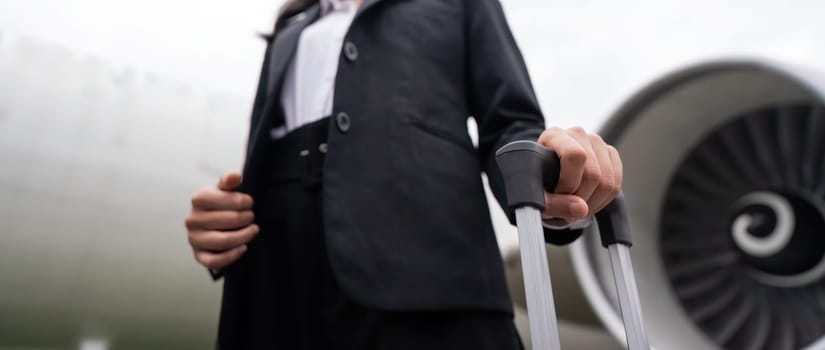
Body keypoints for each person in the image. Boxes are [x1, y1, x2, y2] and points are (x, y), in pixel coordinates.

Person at [184, 0, 623, 348]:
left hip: (428, 287)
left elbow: (510, 124)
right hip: (279, 294)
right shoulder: (291, 31)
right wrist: (225, 223)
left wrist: (549, 177)